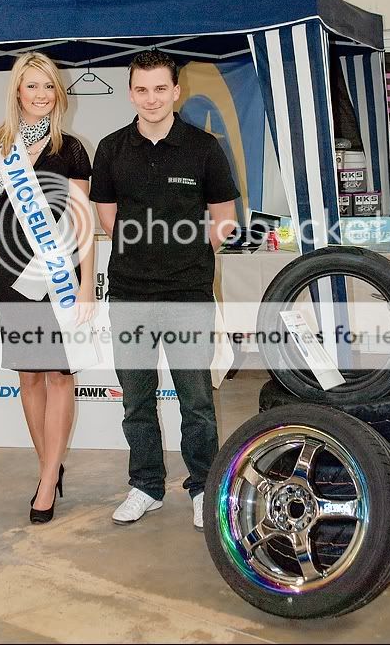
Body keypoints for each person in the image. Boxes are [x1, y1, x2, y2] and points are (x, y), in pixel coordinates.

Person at [90, 49, 239, 531]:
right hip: (129, 294)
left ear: (177, 91)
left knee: (195, 399)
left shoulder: (204, 148)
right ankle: (146, 486)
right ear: (131, 92)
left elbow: (225, 220)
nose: (150, 98)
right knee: (136, 398)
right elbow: (108, 217)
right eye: (141, 89)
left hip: (187, 294)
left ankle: (202, 486)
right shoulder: (112, 149)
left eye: (160, 88)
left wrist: (185, 254)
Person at [0, 52, 96, 525]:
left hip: (58, 277)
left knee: (60, 375)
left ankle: (45, 483)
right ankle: (50, 466)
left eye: (49, 86)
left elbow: (83, 224)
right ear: (17, 91)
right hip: (11, 276)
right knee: (28, 376)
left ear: (57, 93)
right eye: (32, 86)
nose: (41, 95)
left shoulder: (72, 149)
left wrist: (85, 286)